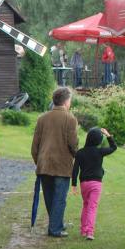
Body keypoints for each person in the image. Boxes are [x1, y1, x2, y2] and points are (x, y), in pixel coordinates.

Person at [31, 87, 79, 238]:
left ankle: (56, 223)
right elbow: (73, 144)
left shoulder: (42, 118)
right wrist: (76, 156)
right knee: (59, 198)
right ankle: (55, 228)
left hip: (44, 164)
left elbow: (35, 146)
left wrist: (38, 161)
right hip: (61, 165)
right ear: (66, 101)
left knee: (50, 197)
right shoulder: (70, 118)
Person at [71, 127, 117, 241]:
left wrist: (74, 184)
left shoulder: (80, 152)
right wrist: (108, 135)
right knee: (92, 207)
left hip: (84, 184)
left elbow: (75, 169)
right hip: (96, 183)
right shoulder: (100, 151)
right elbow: (113, 147)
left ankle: (83, 229)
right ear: (98, 140)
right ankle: (90, 232)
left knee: (86, 205)